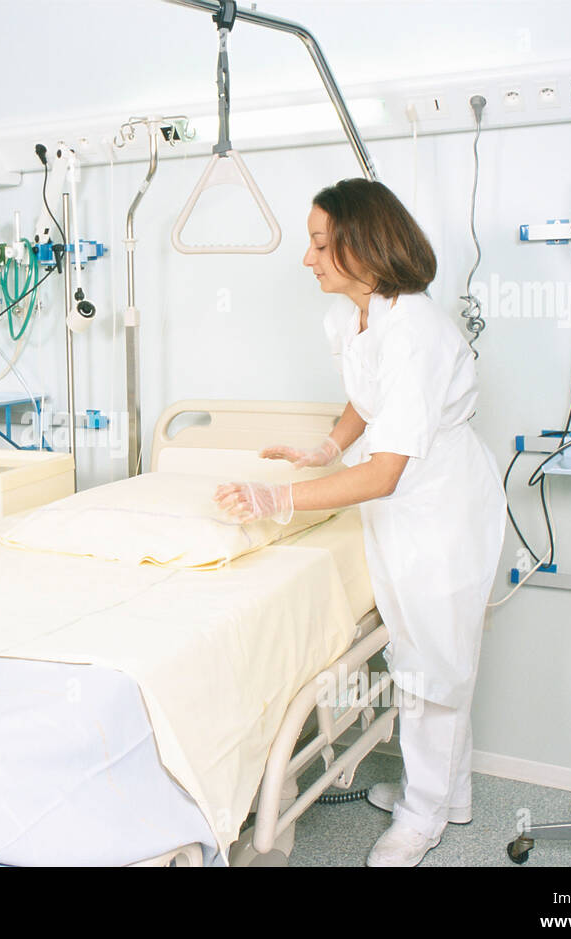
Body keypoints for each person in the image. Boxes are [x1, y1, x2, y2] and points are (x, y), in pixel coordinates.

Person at [214, 178, 506, 867]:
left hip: (440, 505)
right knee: (421, 647)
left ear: (364, 245)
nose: (307, 258)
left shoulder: (416, 332)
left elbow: (386, 472)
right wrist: (325, 448)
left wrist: (277, 500)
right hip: (401, 503)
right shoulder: (362, 315)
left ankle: (423, 816)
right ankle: (447, 792)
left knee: (436, 655)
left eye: (319, 243)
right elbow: (365, 401)